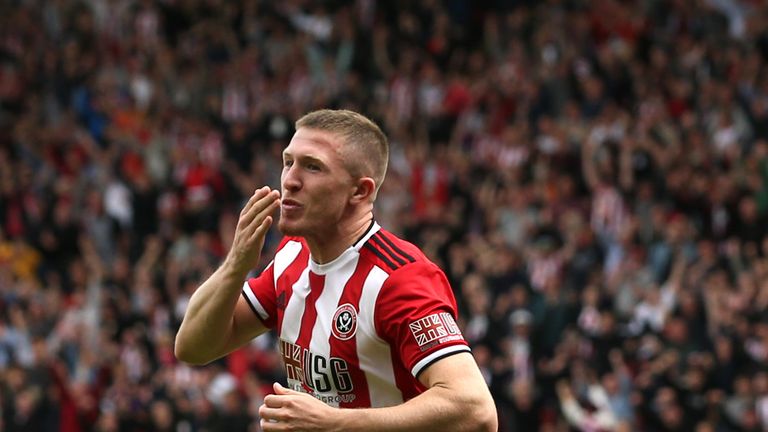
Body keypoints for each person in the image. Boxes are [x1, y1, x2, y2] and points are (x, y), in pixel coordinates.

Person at [175, 109, 497, 431]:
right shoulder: (292, 257)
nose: (290, 180)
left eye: (313, 167)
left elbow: (476, 409)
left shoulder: (397, 279)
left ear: (360, 191)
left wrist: (335, 423)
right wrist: (235, 264)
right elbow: (193, 346)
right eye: (288, 162)